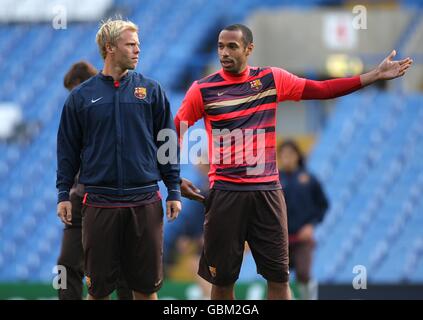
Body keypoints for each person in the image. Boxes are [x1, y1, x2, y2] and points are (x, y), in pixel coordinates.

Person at [174, 23, 413, 300]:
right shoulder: (202, 89)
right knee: (223, 282)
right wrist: (173, 179)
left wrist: (373, 76)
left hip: (267, 194)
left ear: (249, 49)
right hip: (225, 194)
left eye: (232, 46)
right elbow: (175, 131)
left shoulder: (271, 80)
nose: (224, 52)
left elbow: (322, 89)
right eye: (220, 46)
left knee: (278, 279)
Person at [56, 19, 182, 300]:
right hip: (100, 203)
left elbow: (167, 141)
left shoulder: (151, 90)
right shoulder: (80, 98)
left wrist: (173, 188)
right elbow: (67, 150)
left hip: (145, 201)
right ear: (110, 48)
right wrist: (63, 193)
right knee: (99, 292)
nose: (138, 50)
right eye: (131, 44)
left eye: (138, 44)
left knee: (145, 291)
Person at [57, 61, 133, 300]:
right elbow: (68, 157)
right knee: (66, 264)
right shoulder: (75, 117)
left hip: (111, 199)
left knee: (123, 267)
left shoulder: (117, 111)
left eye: (74, 91)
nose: (72, 99)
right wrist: (65, 194)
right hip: (80, 199)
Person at [278, 140, 328, 300]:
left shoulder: (309, 179)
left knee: (303, 273)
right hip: (280, 239)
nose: (287, 158)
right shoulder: (274, 180)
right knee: (278, 277)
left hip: (302, 238)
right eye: (283, 155)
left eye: (290, 154)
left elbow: (323, 205)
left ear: (297, 156)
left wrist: (311, 225)